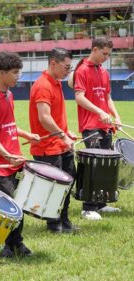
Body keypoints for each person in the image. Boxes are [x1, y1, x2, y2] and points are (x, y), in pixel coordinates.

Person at [0, 51, 40, 258]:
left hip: (15, 161)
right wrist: (7, 155)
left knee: (19, 204)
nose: (18, 76)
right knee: (4, 209)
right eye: (14, 72)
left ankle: (16, 243)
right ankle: (0, 245)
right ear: (2, 73)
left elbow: (9, 126)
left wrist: (26, 134)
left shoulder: (9, 95)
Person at [29, 47, 79, 234]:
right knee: (54, 187)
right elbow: (44, 117)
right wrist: (62, 135)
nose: (68, 71)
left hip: (60, 143)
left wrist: (67, 132)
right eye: (66, 67)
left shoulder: (56, 82)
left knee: (67, 182)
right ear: (53, 63)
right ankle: (53, 223)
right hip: (47, 147)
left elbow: (55, 118)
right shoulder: (43, 85)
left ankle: (64, 220)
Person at [74, 36, 122, 221]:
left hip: (106, 126)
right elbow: (79, 97)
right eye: (104, 53)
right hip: (90, 126)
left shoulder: (104, 72)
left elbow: (108, 97)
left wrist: (115, 116)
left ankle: (101, 204)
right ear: (94, 49)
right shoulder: (82, 70)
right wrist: (99, 112)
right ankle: (87, 207)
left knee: (105, 168)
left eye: (109, 54)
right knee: (92, 168)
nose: (106, 57)